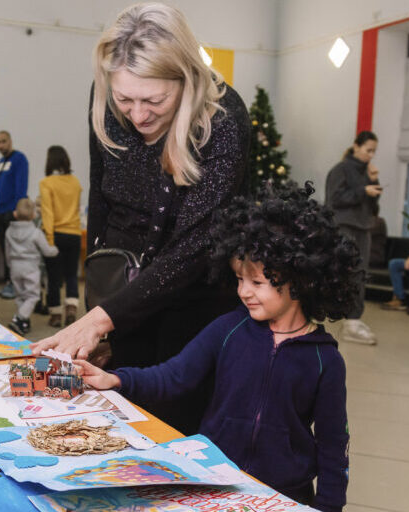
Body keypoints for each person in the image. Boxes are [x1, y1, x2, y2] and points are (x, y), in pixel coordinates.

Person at [33, 3, 250, 436]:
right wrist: (100, 307)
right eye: (124, 99)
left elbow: (195, 247)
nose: (137, 115)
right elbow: (103, 207)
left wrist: (100, 319)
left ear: (186, 79)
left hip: (193, 307)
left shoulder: (225, 120)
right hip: (124, 301)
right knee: (117, 425)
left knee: (174, 430)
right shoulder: (105, 99)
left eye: (154, 100)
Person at [75, 182, 354, 512]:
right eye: (239, 279)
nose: (243, 292)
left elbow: (333, 446)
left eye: (257, 282)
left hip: (284, 496)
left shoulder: (325, 360)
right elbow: (173, 376)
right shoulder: (228, 329)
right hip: (216, 481)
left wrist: (329, 506)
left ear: (300, 279)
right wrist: (116, 379)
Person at [325, 131, 381, 345]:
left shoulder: (367, 172)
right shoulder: (341, 169)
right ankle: (350, 320)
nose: (371, 155)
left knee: (360, 273)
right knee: (348, 272)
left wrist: (373, 183)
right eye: (368, 150)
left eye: (374, 151)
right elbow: (334, 199)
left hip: (363, 227)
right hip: (345, 227)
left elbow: (373, 206)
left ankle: (353, 320)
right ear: (356, 146)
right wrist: (363, 190)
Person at [38, 146, 83, 327]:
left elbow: (47, 213)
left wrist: (49, 239)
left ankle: (55, 315)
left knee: (53, 277)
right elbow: (77, 208)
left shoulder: (46, 183)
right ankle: (71, 309)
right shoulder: (75, 182)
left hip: (55, 234)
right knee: (71, 274)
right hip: (74, 234)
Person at [5, 198, 60, 335]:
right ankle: (19, 319)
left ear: (15, 214)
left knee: (20, 296)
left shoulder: (8, 231)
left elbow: (7, 251)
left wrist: (10, 265)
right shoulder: (36, 233)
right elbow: (47, 251)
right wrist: (55, 250)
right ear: (34, 215)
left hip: (15, 267)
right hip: (31, 268)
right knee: (33, 296)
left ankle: (23, 323)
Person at [0, 131, 30, 299]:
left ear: (10, 141)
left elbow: (21, 186)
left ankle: (17, 285)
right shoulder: (1, 162)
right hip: (0, 212)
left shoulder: (19, 159)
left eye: (3, 141)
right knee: (5, 251)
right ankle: (9, 282)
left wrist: (17, 210)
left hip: (12, 213)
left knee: (15, 251)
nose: (1, 145)